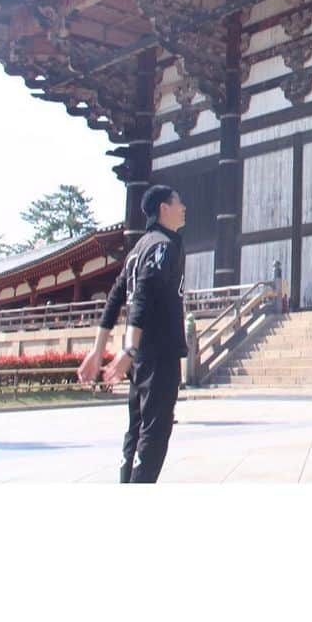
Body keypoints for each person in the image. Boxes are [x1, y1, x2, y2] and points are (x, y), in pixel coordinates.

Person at [77, 185, 187, 483]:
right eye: (179, 202)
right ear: (164, 208)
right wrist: (129, 348)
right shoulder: (164, 245)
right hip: (158, 351)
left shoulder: (137, 249)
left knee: (136, 428)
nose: (184, 207)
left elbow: (115, 298)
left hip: (141, 357)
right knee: (155, 430)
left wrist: (98, 350)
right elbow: (143, 296)